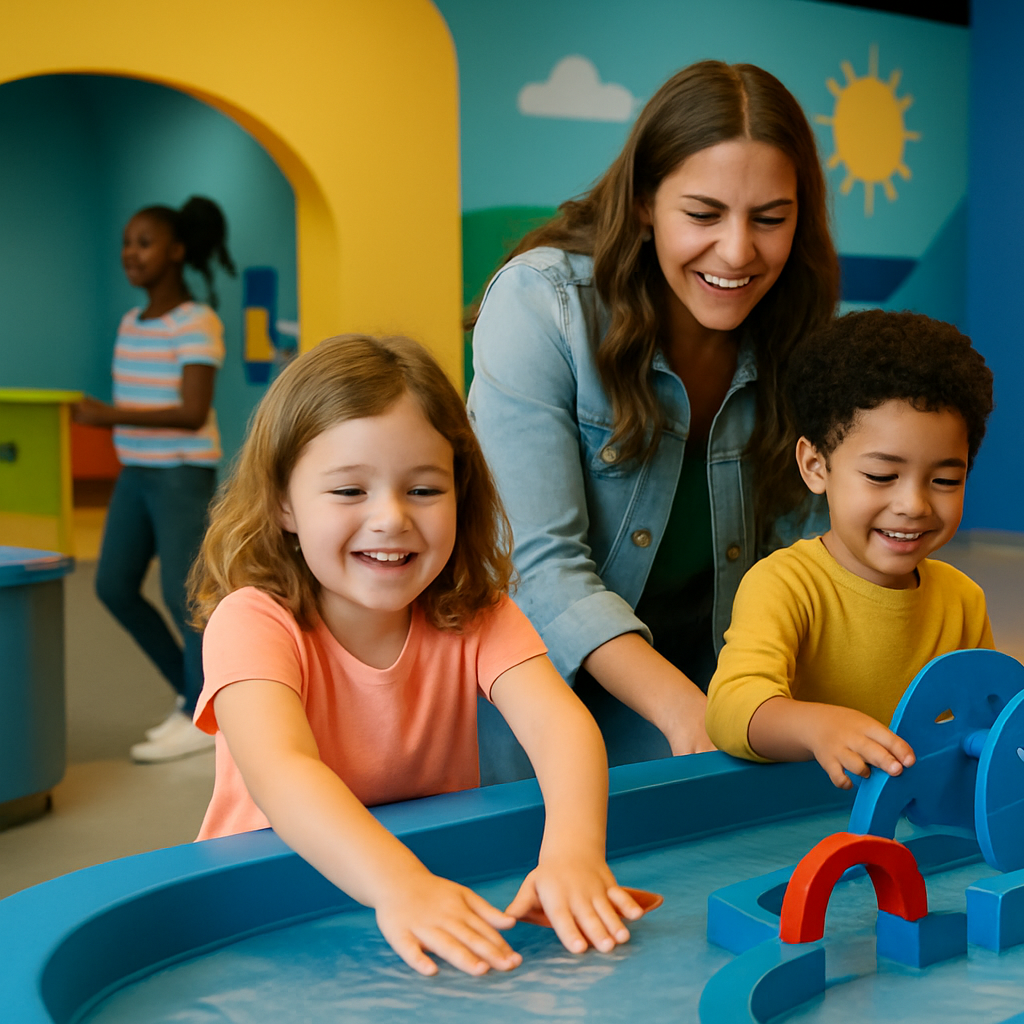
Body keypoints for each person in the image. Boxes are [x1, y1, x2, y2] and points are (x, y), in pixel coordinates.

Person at [185, 335, 643, 977]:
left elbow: (560, 727)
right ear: (284, 503)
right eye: (349, 492)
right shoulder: (253, 621)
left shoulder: (477, 613)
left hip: (424, 893)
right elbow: (282, 771)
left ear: (460, 493)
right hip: (268, 909)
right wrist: (398, 883)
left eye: (423, 490)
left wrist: (573, 853)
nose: (391, 518)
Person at [467, 60, 839, 780]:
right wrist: (687, 711)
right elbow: (538, 569)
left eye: (770, 219)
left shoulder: (800, 339)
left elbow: (810, 556)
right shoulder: (543, 305)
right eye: (703, 214)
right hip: (550, 702)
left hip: (724, 694)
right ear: (643, 202)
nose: (737, 251)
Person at [705, 311, 996, 788]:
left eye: (946, 480)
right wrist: (816, 727)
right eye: (882, 476)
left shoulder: (963, 600)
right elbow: (731, 706)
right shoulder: (784, 585)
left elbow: (986, 720)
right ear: (816, 466)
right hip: (796, 824)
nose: (913, 504)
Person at [72, 196, 233, 763]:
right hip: (136, 471)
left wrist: (106, 415)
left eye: (143, 242)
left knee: (182, 593)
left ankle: (208, 717)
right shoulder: (130, 323)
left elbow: (192, 411)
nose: (130, 253)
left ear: (177, 251)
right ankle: (193, 695)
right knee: (112, 585)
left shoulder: (197, 322)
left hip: (180, 474)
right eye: (126, 243)